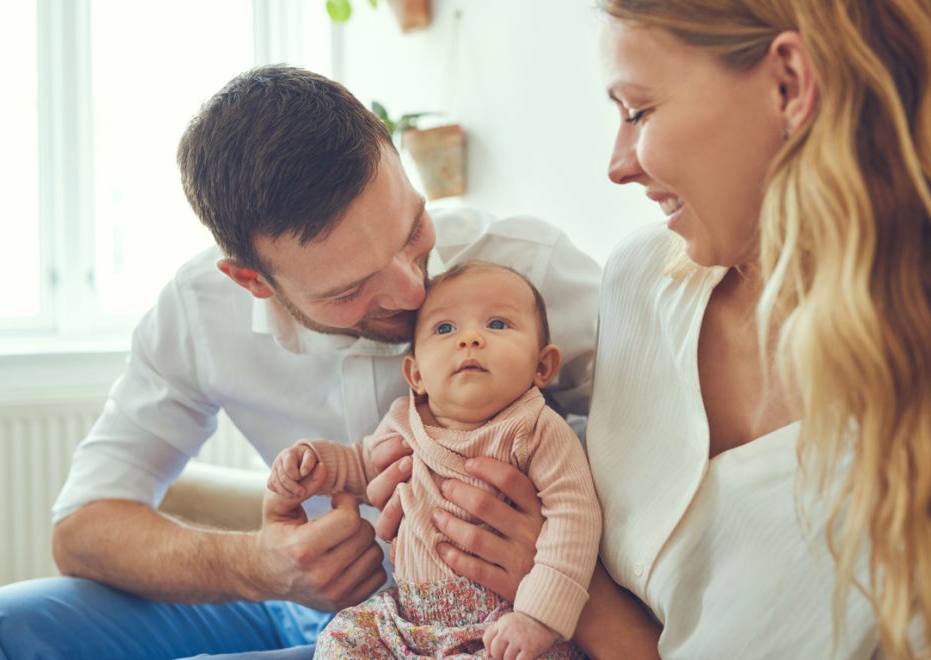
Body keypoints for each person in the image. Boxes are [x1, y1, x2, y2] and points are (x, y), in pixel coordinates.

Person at [0, 67, 602, 658]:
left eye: (413, 233)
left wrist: (557, 568)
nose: (411, 289)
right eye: (349, 290)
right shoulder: (198, 311)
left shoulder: (529, 276)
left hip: (470, 628)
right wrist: (257, 565)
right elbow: (83, 527)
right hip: (290, 609)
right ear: (252, 281)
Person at [369, 0, 931, 657]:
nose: (618, 164)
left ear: (789, 85)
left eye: (637, 110)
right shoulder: (642, 278)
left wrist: (575, 601)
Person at [267, 261, 601, 659]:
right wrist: (315, 463)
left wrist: (539, 617)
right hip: (408, 621)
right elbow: (362, 465)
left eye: (497, 324)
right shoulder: (403, 422)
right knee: (341, 639)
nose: (471, 338)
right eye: (445, 329)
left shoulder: (534, 429)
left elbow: (575, 515)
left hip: (504, 623)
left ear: (542, 365)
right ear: (416, 374)